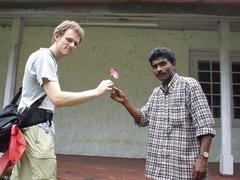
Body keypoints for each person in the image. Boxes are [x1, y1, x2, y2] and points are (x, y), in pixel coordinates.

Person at [10, 20, 114, 180]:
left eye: (76, 43)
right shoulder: (45, 58)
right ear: (56, 36)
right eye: (69, 39)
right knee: (45, 176)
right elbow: (57, 98)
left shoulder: (47, 59)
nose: (72, 45)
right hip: (36, 130)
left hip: (29, 128)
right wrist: (96, 91)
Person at [111, 47, 215, 180]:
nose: (158, 69)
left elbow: (205, 125)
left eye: (163, 64)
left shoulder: (189, 86)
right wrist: (125, 101)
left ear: (174, 65)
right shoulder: (156, 93)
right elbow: (143, 118)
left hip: (185, 170)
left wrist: (203, 158)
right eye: (155, 66)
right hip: (161, 170)